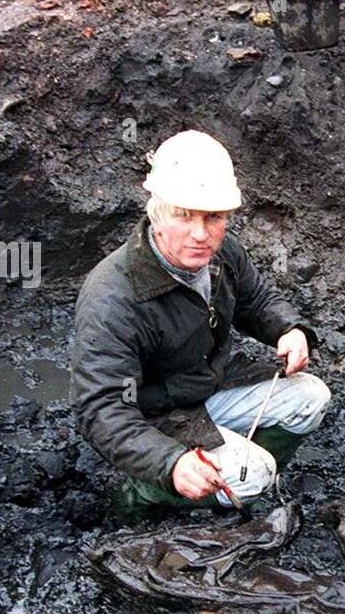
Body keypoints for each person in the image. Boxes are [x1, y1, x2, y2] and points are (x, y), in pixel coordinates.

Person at [71, 130, 330, 508]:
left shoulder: (222, 254)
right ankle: (138, 496)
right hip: (152, 415)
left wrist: (287, 328)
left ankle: (236, 480)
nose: (200, 234)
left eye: (213, 217)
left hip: (203, 387)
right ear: (157, 214)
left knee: (310, 397)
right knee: (252, 473)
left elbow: (254, 299)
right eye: (183, 215)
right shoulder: (112, 298)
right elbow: (100, 408)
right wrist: (170, 462)